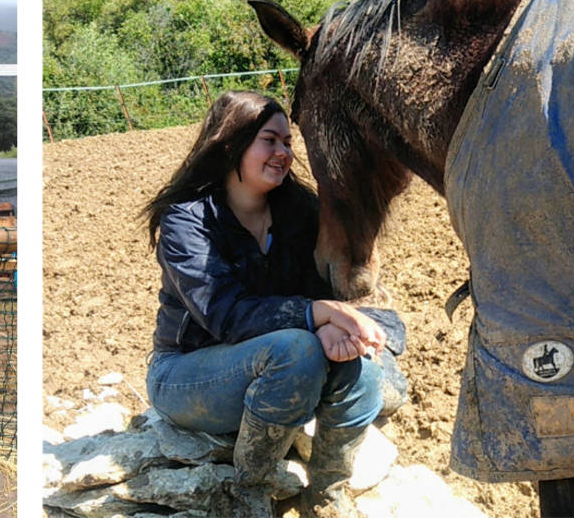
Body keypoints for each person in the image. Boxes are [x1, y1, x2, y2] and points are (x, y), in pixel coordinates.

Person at [138, 91, 393, 518]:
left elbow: (333, 290)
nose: (284, 153)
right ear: (230, 144)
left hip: (279, 365)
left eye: (288, 143)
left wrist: (332, 326)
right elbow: (224, 314)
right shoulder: (186, 219)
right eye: (269, 141)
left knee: (363, 368)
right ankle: (250, 490)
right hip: (187, 375)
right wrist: (317, 316)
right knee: (296, 350)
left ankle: (327, 496)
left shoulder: (301, 210)